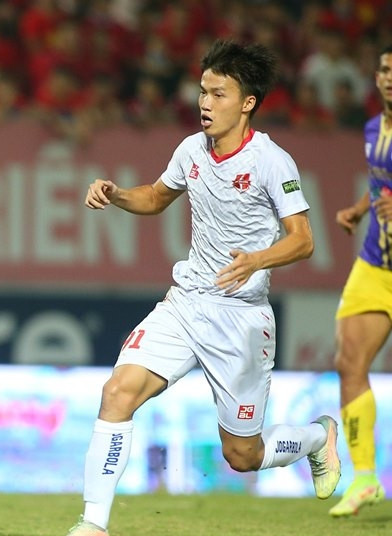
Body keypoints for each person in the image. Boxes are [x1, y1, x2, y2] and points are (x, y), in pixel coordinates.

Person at [68, 40, 341, 535]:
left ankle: (318, 438)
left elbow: (303, 240)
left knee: (242, 455)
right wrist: (117, 194)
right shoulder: (191, 149)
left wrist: (257, 259)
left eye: (218, 94)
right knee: (117, 393)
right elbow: (156, 197)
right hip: (187, 301)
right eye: (202, 92)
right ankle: (93, 524)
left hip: (241, 318)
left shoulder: (271, 161)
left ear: (247, 102)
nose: (205, 103)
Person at [327, 44, 392, 518]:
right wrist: (357, 209)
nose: (391, 77)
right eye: (386, 69)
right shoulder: (374, 129)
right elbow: (379, 188)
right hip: (375, 265)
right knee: (349, 362)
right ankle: (365, 477)